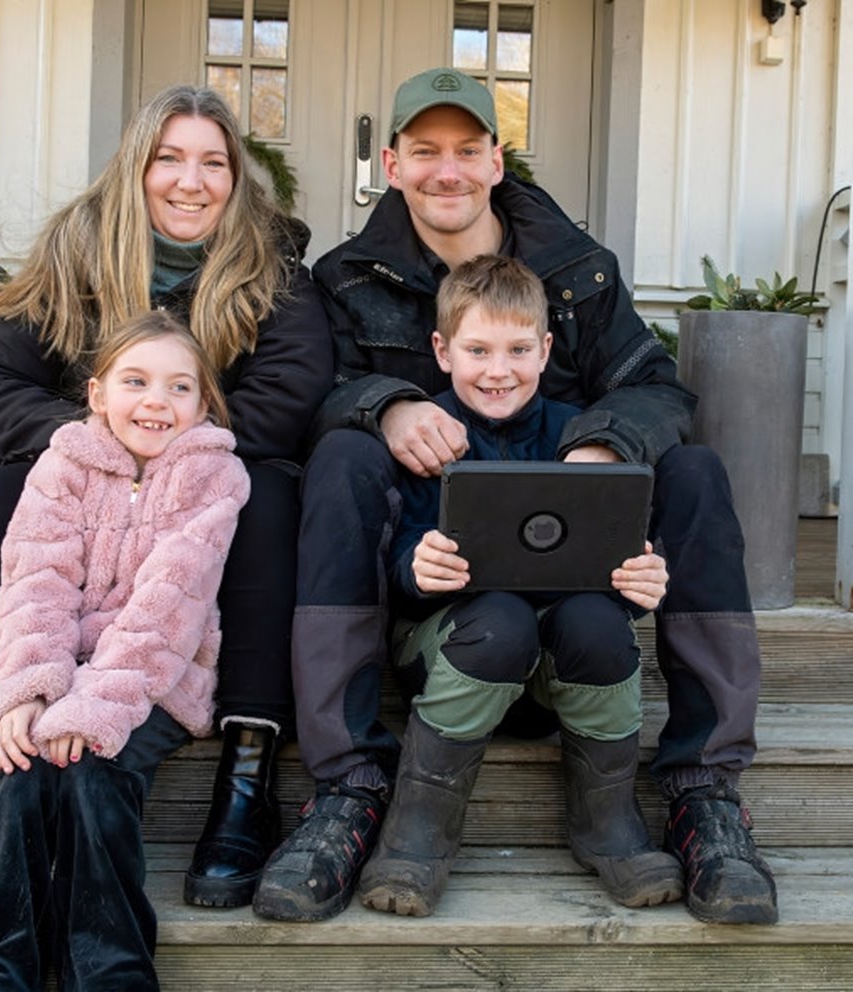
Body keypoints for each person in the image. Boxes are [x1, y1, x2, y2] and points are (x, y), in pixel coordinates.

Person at [253, 68, 777, 926]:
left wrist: (607, 441)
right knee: (342, 455)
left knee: (694, 469)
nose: (447, 170)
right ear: (392, 163)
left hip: (580, 594)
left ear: (499, 161)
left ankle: (702, 789)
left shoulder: (577, 269)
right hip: (439, 593)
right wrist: (384, 406)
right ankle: (348, 788)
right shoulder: (344, 276)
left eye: (468, 150)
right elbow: (309, 391)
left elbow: (657, 389)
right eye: (425, 151)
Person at [0, 84, 333, 913]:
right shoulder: (80, 253)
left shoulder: (273, 274)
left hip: (209, 482)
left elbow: (286, 399)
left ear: (236, 179)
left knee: (270, 500)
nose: (190, 181)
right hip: (84, 490)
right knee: (4, 492)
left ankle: (247, 773)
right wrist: (92, 445)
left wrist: (166, 452)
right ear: (137, 167)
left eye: (212, 162)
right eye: (169, 158)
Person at [357, 254, 680, 917]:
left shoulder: (579, 435)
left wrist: (640, 582)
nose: (497, 369)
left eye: (517, 349)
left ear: (546, 350)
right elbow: (394, 556)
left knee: (595, 621)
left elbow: (610, 559)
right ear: (443, 352)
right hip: (456, 654)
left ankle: (609, 826)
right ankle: (418, 833)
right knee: (500, 616)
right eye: (477, 349)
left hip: (553, 682)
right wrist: (417, 564)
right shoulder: (426, 435)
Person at [0, 310, 250, 989]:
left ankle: (111, 969)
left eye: (179, 388)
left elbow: (167, 611)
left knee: (91, 774)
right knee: (17, 779)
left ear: (204, 404)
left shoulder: (214, 479)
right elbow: (35, 585)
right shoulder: (62, 467)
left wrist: (92, 713)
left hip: (154, 683)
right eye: (135, 381)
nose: (155, 402)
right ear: (97, 393)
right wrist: (27, 695)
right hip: (58, 674)